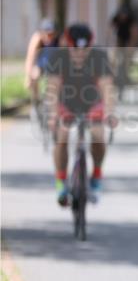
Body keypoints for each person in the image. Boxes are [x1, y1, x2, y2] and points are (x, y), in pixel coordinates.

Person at [45, 23, 116, 205]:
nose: (80, 55)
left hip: (91, 102)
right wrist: (53, 115)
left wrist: (109, 112)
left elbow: (107, 87)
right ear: (67, 45)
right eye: (75, 50)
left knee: (98, 135)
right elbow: (52, 90)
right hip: (66, 102)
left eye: (85, 50)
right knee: (62, 136)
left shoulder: (99, 57)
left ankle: (97, 175)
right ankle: (61, 182)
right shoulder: (58, 57)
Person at [23, 19, 61, 106]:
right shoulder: (37, 39)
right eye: (46, 34)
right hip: (40, 66)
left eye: (51, 34)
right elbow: (30, 58)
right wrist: (28, 77)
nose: (49, 36)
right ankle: (36, 101)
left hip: (54, 66)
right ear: (41, 32)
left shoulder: (59, 40)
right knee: (34, 76)